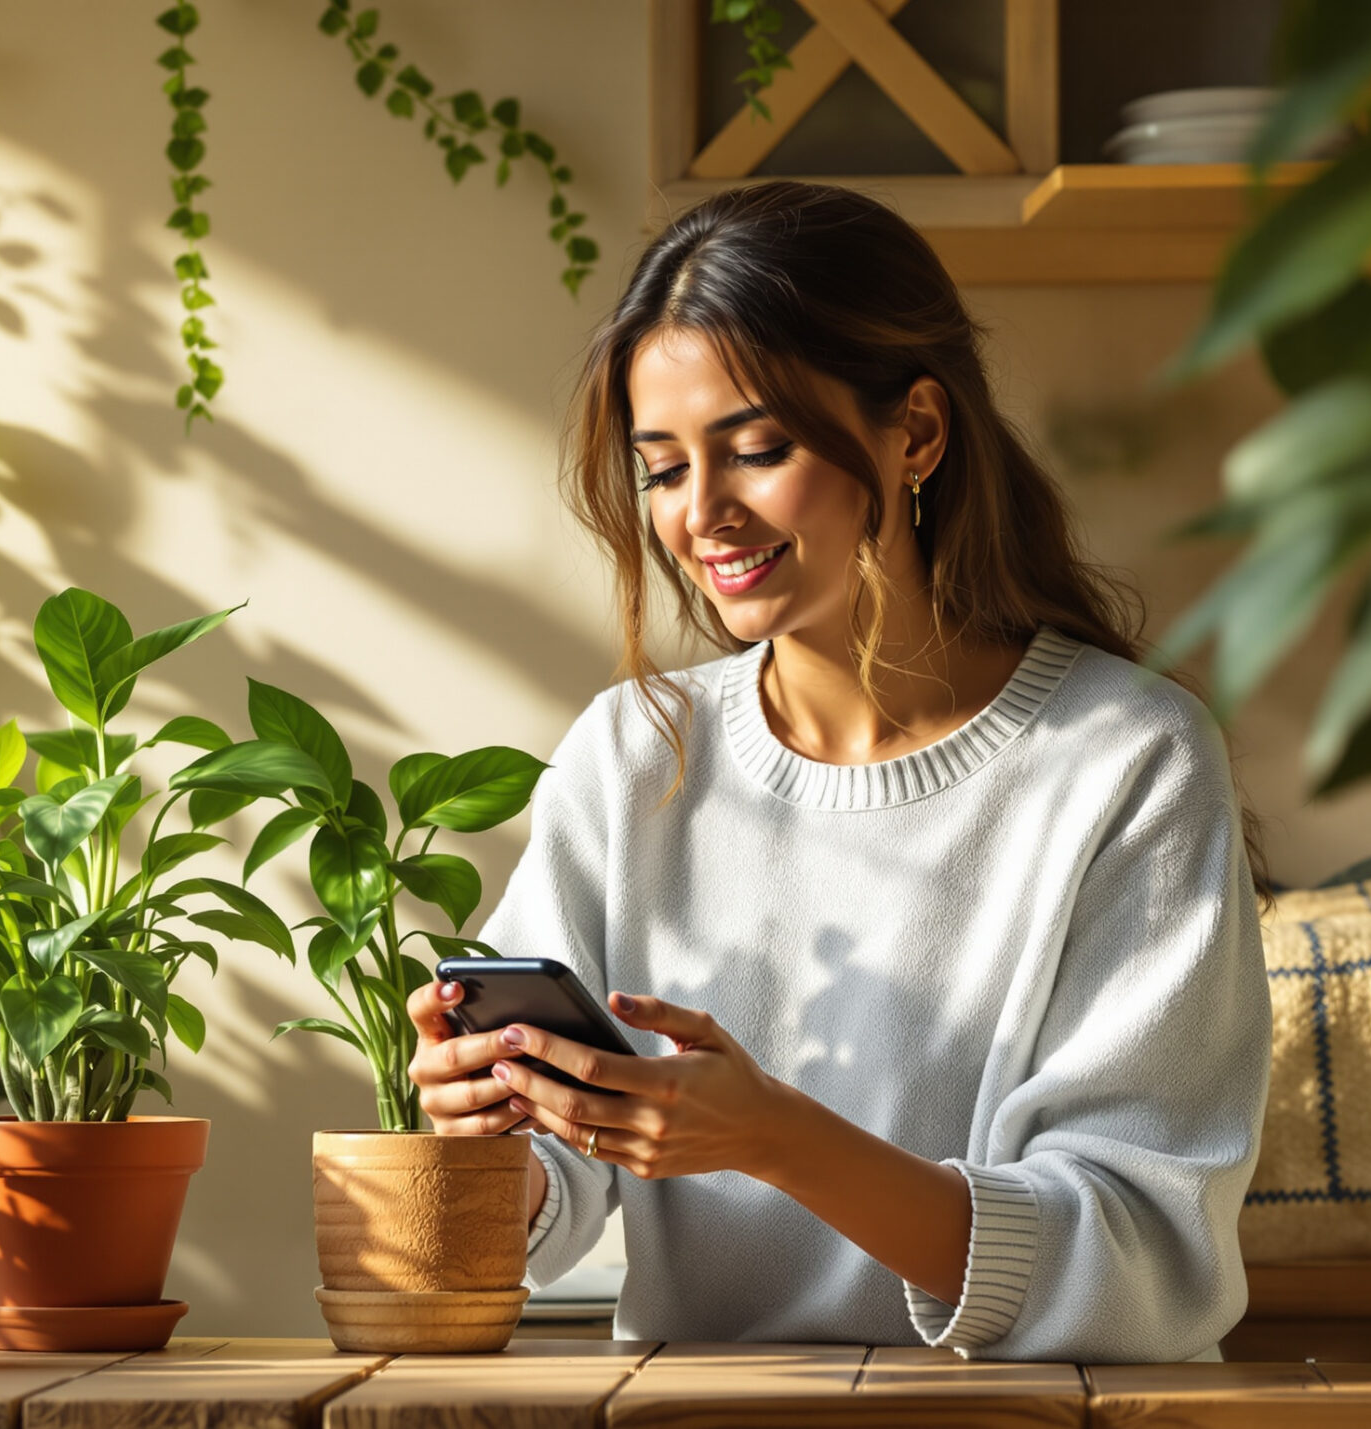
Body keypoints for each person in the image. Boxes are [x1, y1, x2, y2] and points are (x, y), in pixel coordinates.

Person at [405, 181, 1270, 1363]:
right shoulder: (629, 754)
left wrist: (776, 1138)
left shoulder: (1128, 760)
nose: (701, 513)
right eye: (661, 468)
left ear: (914, 431)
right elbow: (545, 1204)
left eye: (755, 450)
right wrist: (489, 1138)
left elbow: (1142, 1257)